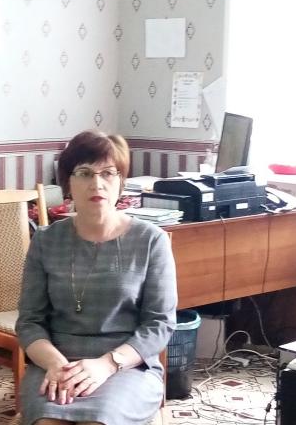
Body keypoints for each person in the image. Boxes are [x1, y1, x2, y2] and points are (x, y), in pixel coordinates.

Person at [15, 130, 178, 425]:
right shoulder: (46, 240)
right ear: (68, 183)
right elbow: (29, 321)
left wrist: (107, 364)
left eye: (108, 173)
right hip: (56, 361)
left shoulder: (151, 240)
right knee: (47, 422)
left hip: (126, 366)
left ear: (121, 181)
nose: (97, 183)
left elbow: (160, 324)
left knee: (98, 421)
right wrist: (56, 364)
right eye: (84, 173)